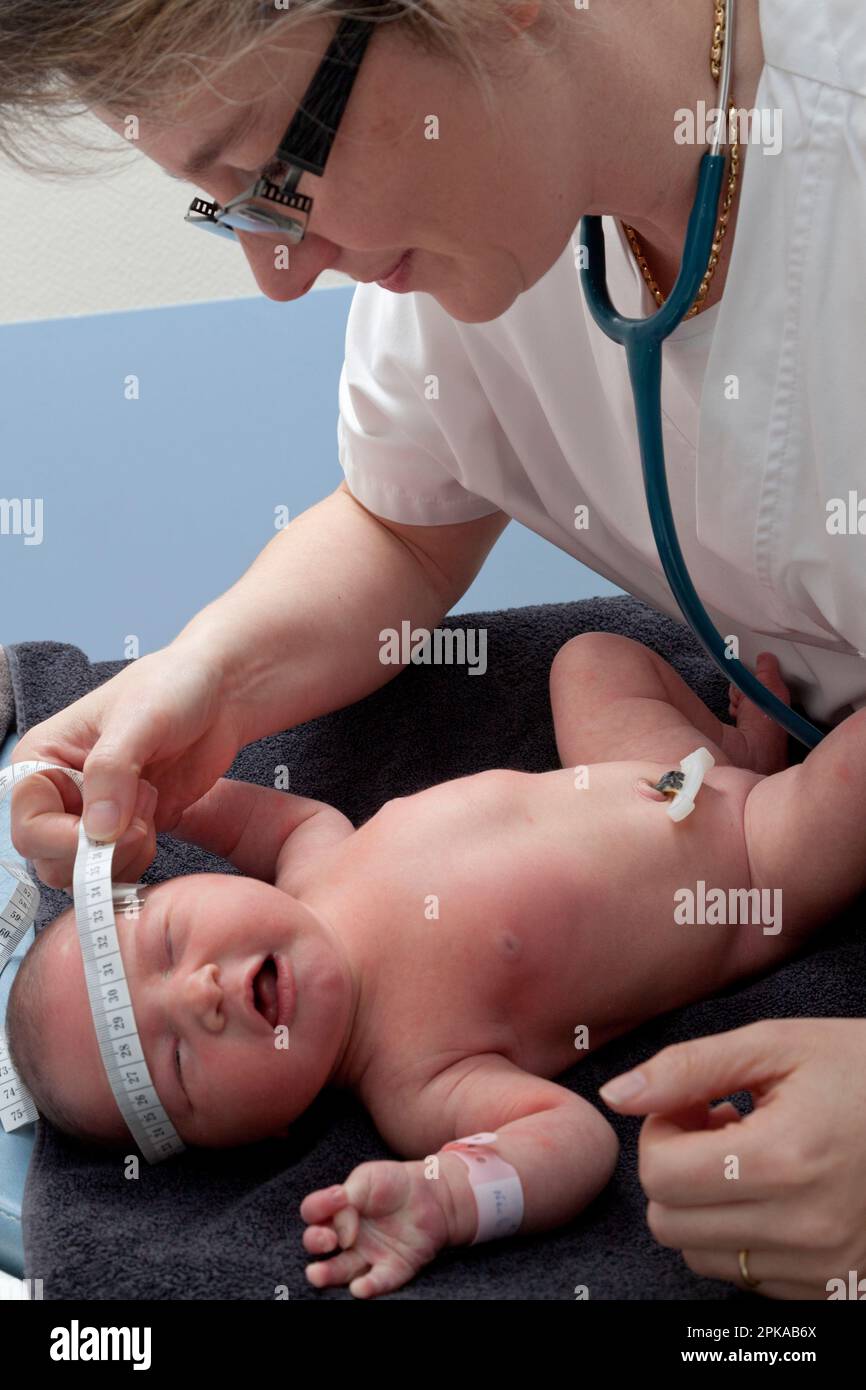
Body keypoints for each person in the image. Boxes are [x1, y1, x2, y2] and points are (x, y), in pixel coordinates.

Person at [3, 0, 865, 1300]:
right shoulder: (479, 249)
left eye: (270, 173)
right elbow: (401, 527)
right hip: (700, 795)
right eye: (224, 207)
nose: (279, 274)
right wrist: (206, 675)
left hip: (760, 842)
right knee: (596, 664)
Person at [7, 636, 863, 1299]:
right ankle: (769, 785)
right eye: (177, 1062)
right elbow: (574, 1141)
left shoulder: (313, 864)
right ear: (259, 1136)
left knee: (592, 662)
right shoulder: (415, 1082)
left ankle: (731, 755)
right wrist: (447, 1198)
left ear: (189, 883)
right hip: (753, 869)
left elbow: (245, 819)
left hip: (641, 770)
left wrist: (162, 799)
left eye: (166, 942)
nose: (199, 993)